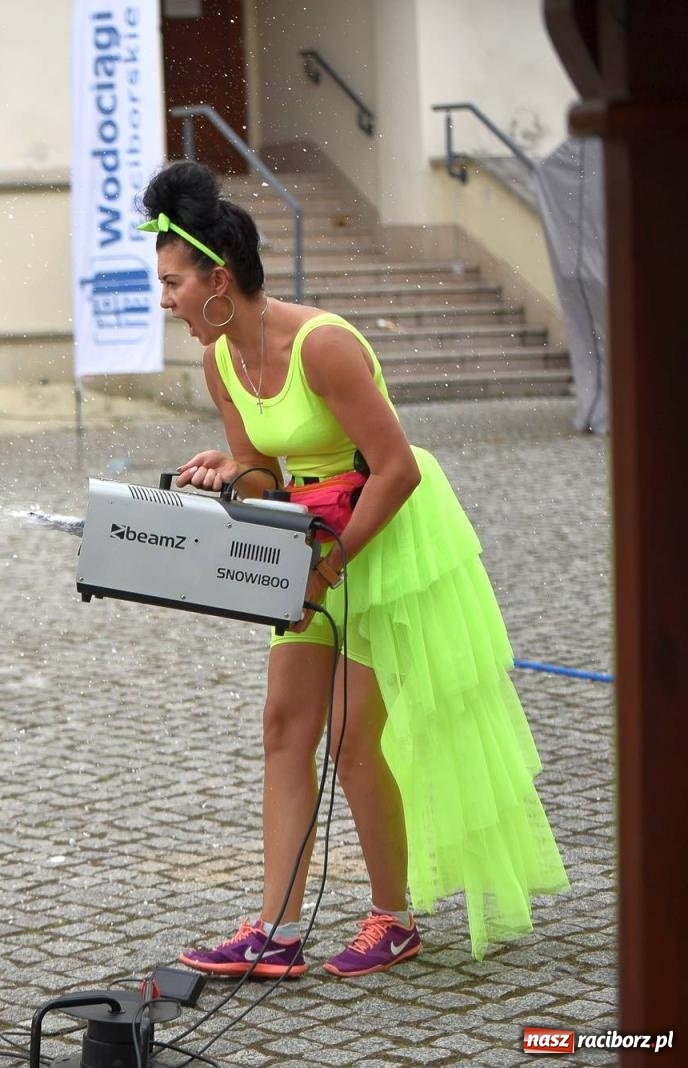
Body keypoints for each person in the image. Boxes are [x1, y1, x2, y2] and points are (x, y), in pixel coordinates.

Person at [142, 161, 567, 977]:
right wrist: (233, 475)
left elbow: (396, 468)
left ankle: (391, 916)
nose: (166, 300)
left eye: (172, 283)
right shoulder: (220, 362)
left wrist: (331, 564)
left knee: (350, 731)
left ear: (217, 278)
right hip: (314, 546)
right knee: (283, 727)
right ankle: (274, 930)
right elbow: (266, 472)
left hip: (386, 535)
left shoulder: (323, 345)